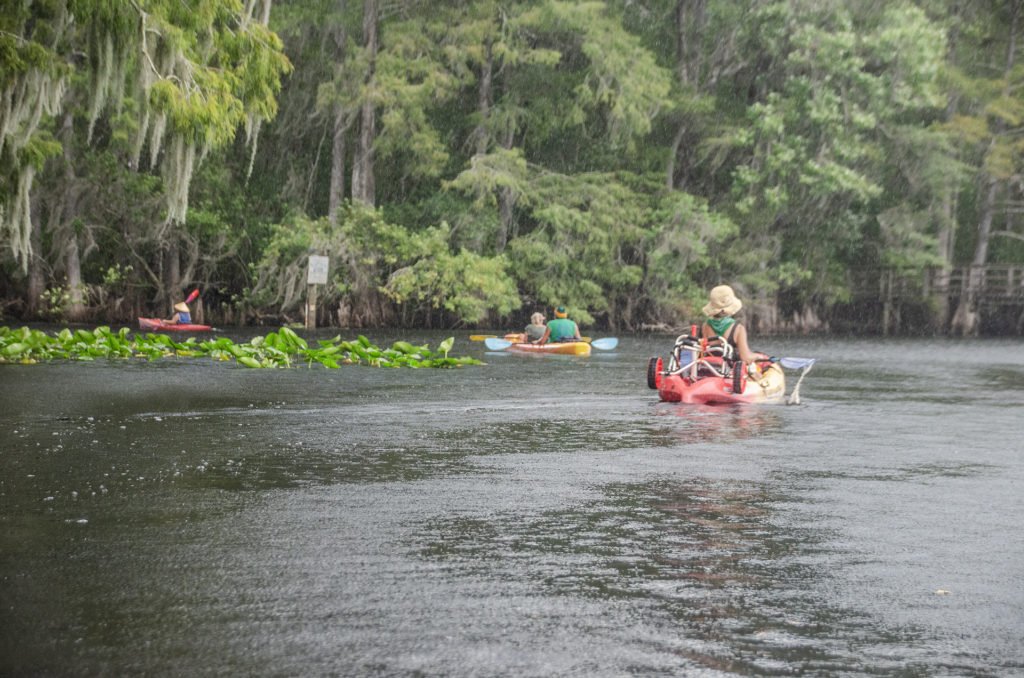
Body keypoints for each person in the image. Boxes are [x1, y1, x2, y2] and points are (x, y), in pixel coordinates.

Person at [700, 285, 759, 365]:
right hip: (729, 371)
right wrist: (760, 357)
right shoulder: (738, 329)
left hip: (711, 368)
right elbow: (745, 358)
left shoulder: (705, 326)